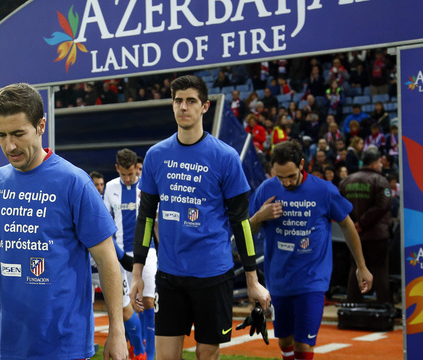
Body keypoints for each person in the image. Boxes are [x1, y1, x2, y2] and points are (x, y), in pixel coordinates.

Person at [0, 83, 127, 359]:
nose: (10, 145)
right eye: (2, 135)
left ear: (41, 126)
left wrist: (117, 331)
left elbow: (107, 261)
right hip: (14, 344)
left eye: (18, 133)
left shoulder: (74, 182)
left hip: (67, 346)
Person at [130, 75, 270, 360]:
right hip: (169, 276)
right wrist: (137, 273)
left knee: (207, 354)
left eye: (191, 101)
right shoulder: (156, 156)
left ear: (205, 106)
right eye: (178, 100)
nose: (184, 107)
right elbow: (145, 218)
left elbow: (241, 222)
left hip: (213, 276)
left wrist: (252, 280)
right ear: (172, 105)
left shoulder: (225, 157)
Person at [249, 141, 373, 360]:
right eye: (281, 177)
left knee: (304, 345)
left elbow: (347, 224)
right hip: (278, 280)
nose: (286, 182)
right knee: (286, 342)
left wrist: (361, 266)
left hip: (312, 280)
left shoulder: (324, 190)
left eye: (291, 176)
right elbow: (247, 230)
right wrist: (260, 216)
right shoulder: (266, 189)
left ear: (302, 164)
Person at [103, 148, 155, 360]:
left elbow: (156, 221)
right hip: (122, 253)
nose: (127, 178)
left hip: (147, 251)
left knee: (148, 301)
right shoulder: (110, 187)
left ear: (136, 169)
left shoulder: (147, 186)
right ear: (117, 169)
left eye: (131, 174)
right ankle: (138, 346)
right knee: (128, 305)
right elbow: (106, 221)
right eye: (123, 174)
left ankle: (148, 355)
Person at [339, 148, 392, 305]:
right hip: (377, 235)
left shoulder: (346, 181)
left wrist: (353, 224)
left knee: (355, 268)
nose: (382, 166)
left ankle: (352, 307)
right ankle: (384, 307)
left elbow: (339, 205)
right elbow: (383, 206)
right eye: (380, 162)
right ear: (375, 163)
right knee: (379, 270)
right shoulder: (381, 181)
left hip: (353, 234)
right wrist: (361, 224)